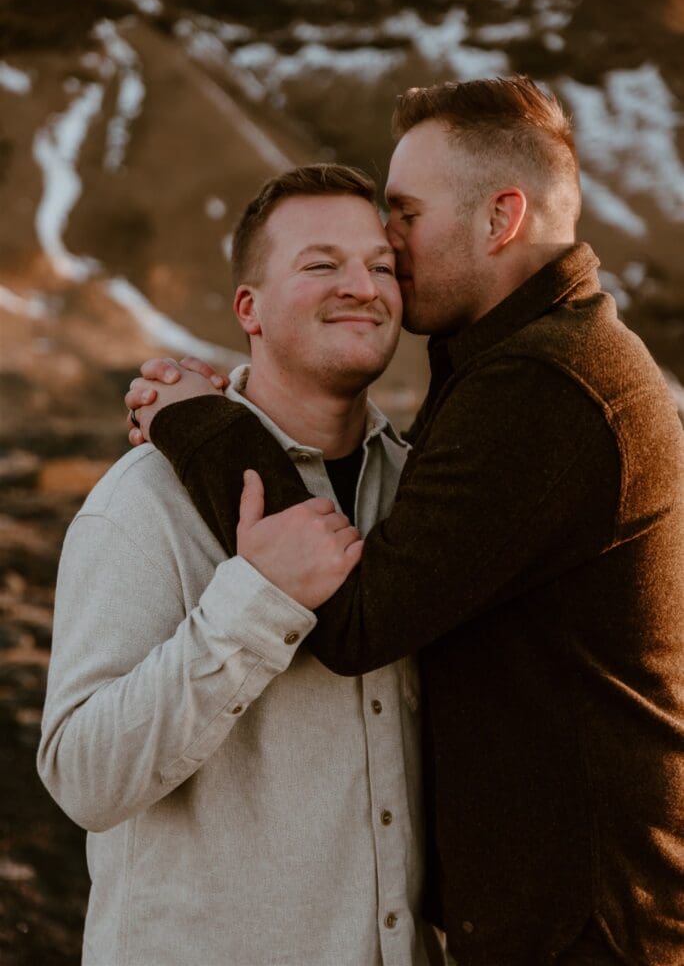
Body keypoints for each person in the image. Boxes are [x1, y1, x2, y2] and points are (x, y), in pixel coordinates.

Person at [127, 76, 684, 966]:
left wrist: (202, 426)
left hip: (583, 930)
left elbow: (359, 618)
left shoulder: (544, 384)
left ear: (501, 218)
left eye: (407, 213)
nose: (389, 240)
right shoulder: (531, 357)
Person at [38, 164, 442, 966]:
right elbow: (83, 777)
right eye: (321, 264)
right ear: (247, 308)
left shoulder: (424, 495)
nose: (362, 286)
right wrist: (257, 599)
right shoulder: (145, 501)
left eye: (381, 265)